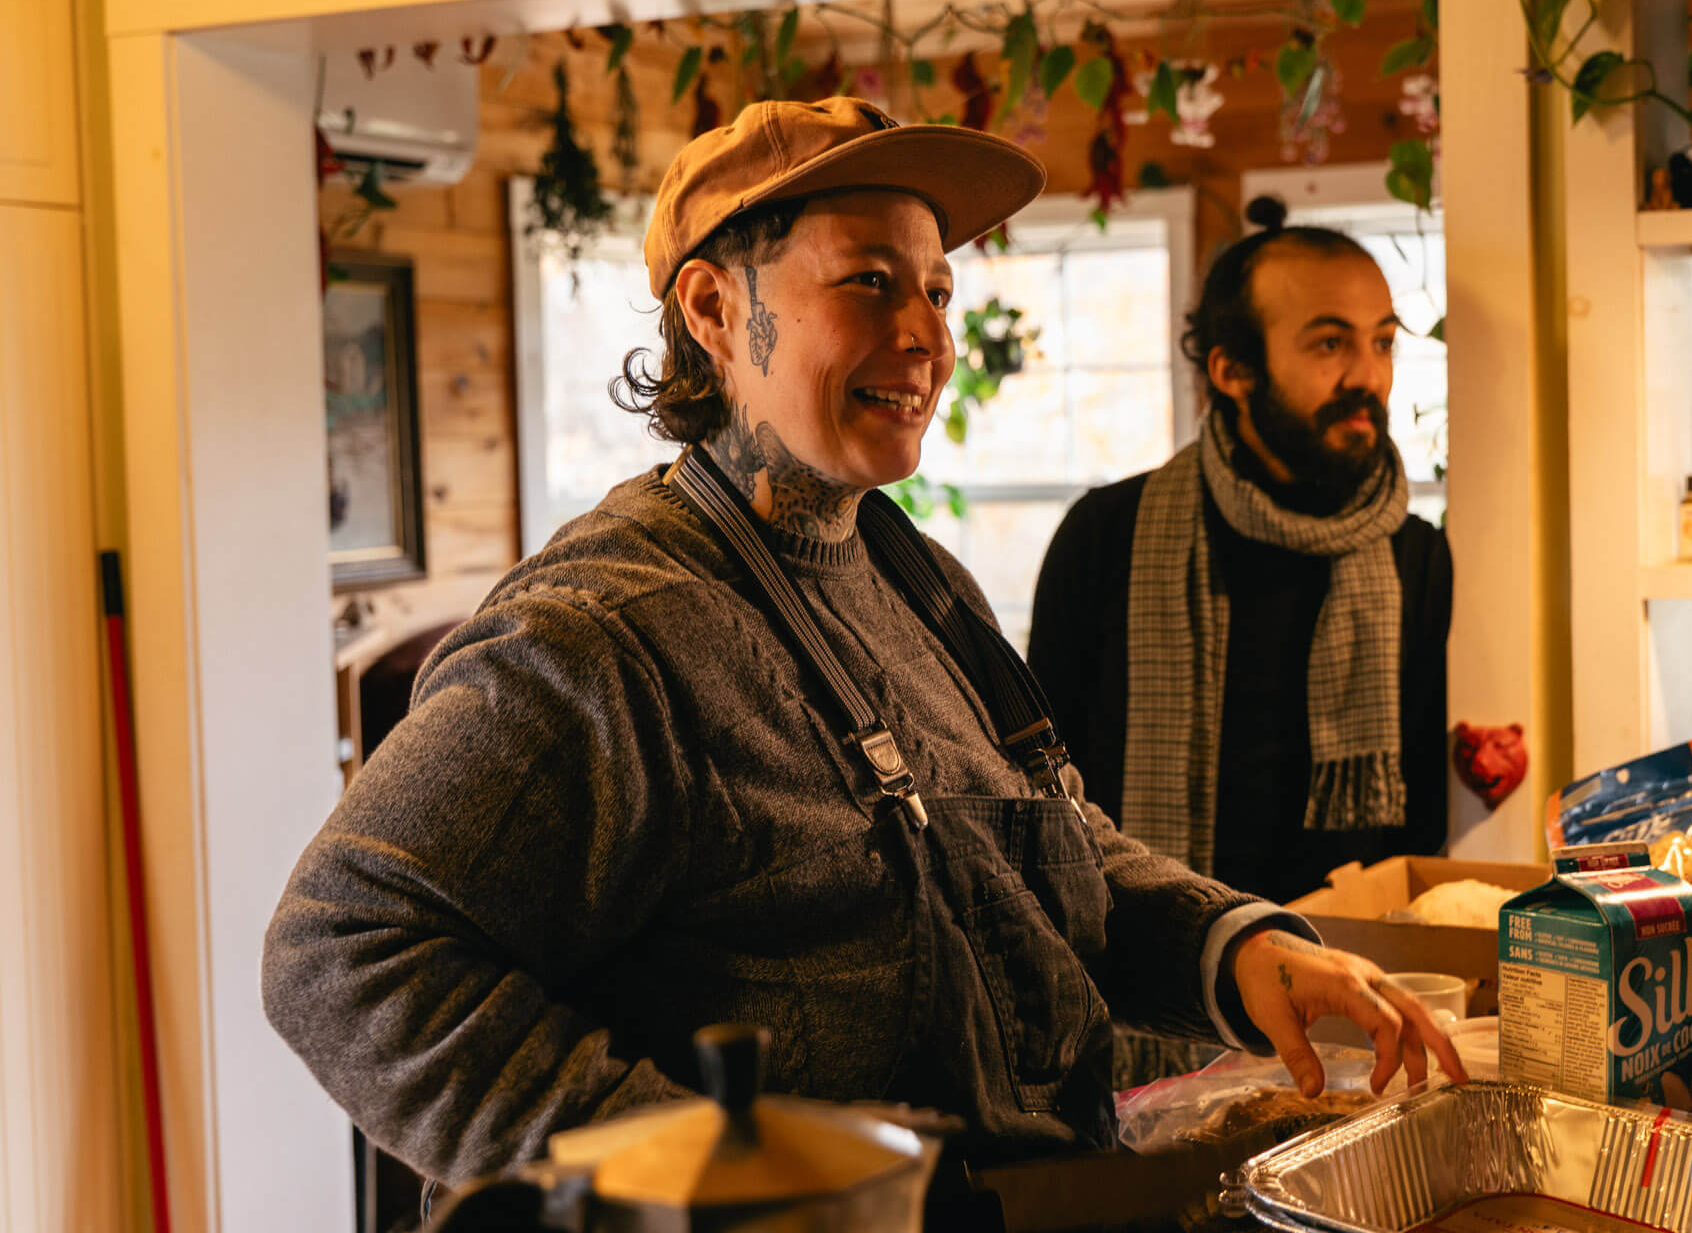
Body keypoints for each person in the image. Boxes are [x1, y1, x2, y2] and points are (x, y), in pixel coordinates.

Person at [263, 101, 1461, 1190]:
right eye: (869, 284)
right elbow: (342, 950)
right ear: (717, 311)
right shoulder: (606, 632)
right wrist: (689, 1178)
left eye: (936, 291)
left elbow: (1035, 844)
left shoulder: (915, 576)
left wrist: (1231, 945)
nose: (925, 338)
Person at [1029, 196, 1453, 907]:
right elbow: (1043, 790)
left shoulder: (1416, 554)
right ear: (1232, 370)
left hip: (1355, 962)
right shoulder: (1108, 535)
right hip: (1146, 964)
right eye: (1330, 344)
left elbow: (1422, 821)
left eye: (1382, 342)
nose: (1368, 378)